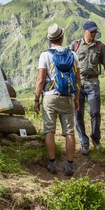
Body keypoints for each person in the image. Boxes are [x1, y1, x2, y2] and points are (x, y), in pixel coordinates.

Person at [34, 23, 81, 176]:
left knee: (49, 131)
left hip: (49, 97)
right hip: (67, 97)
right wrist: (76, 99)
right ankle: (69, 165)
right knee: (69, 132)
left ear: (50, 39)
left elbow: (41, 80)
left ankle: (52, 163)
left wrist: (36, 99)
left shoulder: (45, 55)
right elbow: (78, 80)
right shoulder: (73, 55)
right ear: (62, 37)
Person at [71, 20, 105, 155]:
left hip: (93, 84)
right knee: (78, 113)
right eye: (91, 31)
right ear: (84, 31)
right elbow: (69, 66)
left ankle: (96, 139)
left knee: (95, 112)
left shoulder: (100, 47)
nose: (93, 34)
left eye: (95, 32)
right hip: (78, 84)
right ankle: (84, 142)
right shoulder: (75, 46)